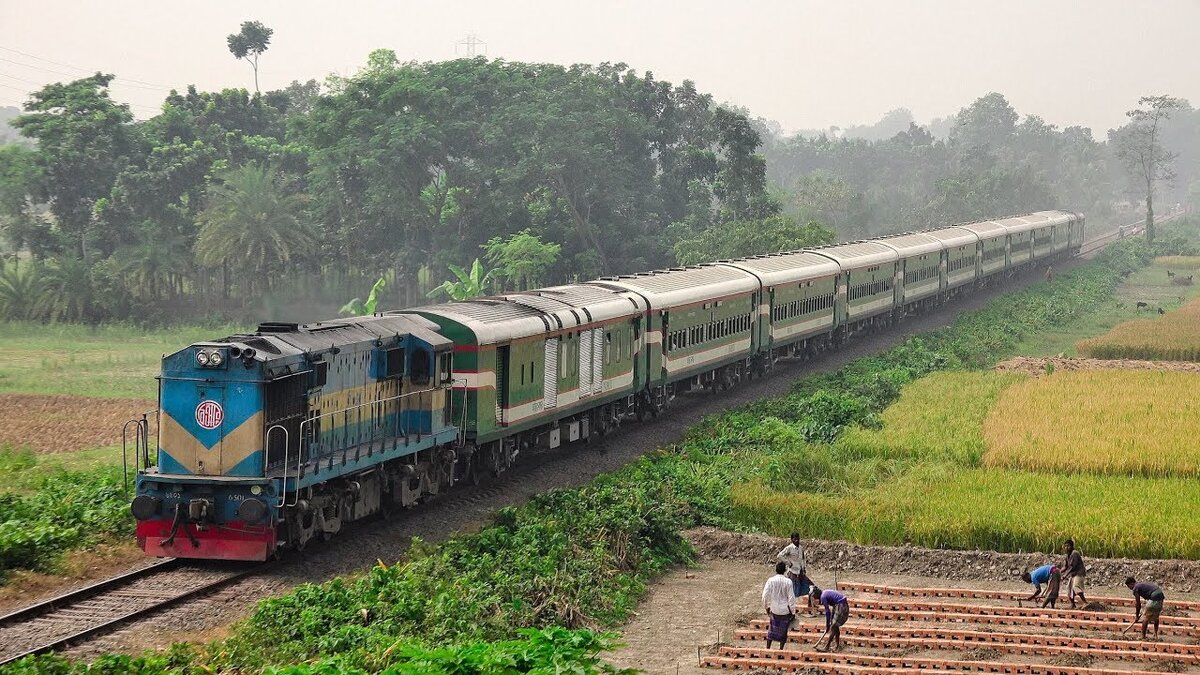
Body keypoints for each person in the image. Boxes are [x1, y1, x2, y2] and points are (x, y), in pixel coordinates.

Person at [761, 562, 795, 649]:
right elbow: (791, 599)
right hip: (785, 611)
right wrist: (792, 611)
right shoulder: (788, 582)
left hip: (774, 609)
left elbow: (764, 596)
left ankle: (768, 648)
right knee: (783, 631)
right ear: (785, 570)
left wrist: (766, 608)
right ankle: (780, 650)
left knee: (772, 629)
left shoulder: (770, 580)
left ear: (776, 570)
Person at [777, 532, 813, 608]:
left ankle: (809, 604)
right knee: (792, 592)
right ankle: (788, 607)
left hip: (800, 572)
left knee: (811, 587)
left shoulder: (801, 548)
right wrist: (789, 563)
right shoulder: (789, 548)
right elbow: (780, 556)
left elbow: (803, 559)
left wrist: (803, 568)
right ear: (792, 539)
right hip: (793, 573)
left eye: (798, 539)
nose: (796, 540)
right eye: (795, 539)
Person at [810, 586, 850, 652]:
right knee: (835, 625)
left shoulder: (823, 597)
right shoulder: (824, 593)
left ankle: (827, 646)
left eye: (813, 596)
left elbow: (827, 612)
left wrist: (827, 625)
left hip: (841, 605)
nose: (814, 598)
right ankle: (837, 645)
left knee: (833, 626)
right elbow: (830, 612)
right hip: (838, 605)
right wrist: (830, 622)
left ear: (816, 594)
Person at [1126, 576, 1166, 640]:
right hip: (1160, 596)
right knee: (1156, 617)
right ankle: (1155, 635)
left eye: (1129, 586)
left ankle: (1143, 636)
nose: (1129, 588)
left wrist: (1136, 616)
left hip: (1154, 597)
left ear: (1131, 584)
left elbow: (1138, 603)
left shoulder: (1135, 588)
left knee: (1145, 618)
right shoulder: (1141, 584)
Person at [1062, 539, 1088, 608]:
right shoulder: (1067, 555)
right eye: (1065, 546)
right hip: (1073, 574)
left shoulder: (1075, 553)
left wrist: (1065, 575)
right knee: (1069, 589)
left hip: (1079, 573)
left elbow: (1072, 567)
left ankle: (1085, 602)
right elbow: (1065, 566)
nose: (1066, 548)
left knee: (1076, 587)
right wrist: (1058, 571)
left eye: (1068, 546)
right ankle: (1073, 604)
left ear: (1072, 546)